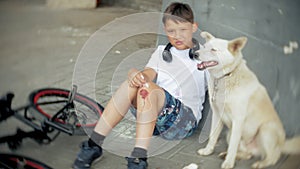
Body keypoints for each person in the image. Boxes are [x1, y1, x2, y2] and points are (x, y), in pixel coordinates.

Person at [72, 2, 208, 169]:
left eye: (183, 30)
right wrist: (135, 74)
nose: (177, 36)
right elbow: (148, 74)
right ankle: (94, 144)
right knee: (134, 84)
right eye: (171, 31)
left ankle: (139, 158)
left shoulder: (205, 55)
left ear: (194, 27)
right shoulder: (161, 52)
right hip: (154, 121)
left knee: (148, 89)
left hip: (183, 122)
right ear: (165, 30)